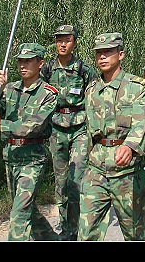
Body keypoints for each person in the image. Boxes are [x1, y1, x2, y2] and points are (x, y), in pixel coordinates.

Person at [77, 32, 145, 241]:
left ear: (121, 54)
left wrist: (129, 146)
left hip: (127, 172)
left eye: (108, 52)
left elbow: (142, 123)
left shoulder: (137, 87)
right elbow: (88, 131)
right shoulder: (91, 90)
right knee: (86, 233)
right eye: (99, 53)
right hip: (96, 170)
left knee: (135, 234)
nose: (102, 56)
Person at [0, 43, 59, 241]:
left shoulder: (48, 93)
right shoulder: (9, 89)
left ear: (40, 63)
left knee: (19, 214)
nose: (23, 65)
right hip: (11, 156)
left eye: (28, 61)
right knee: (26, 209)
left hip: (32, 159)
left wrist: (2, 125)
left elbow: (35, 126)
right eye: (20, 61)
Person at [40, 24, 97, 241]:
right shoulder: (47, 69)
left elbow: (95, 98)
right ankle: (66, 227)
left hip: (80, 127)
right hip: (56, 128)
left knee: (76, 179)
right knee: (61, 182)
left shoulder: (84, 70)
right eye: (59, 40)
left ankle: (76, 226)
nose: (62, 44)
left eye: (67, 40)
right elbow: (37, 94)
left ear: (75, 43)